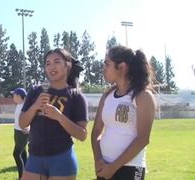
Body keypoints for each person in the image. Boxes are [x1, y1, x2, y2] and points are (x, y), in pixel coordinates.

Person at [20, 48, 88, 180]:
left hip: (62, 158)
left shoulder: (76, 96)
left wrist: (58, 116)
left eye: (57, 61)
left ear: (67, 65)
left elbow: (82, 134)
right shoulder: (35, 91)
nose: (52, 66)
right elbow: (22, 123)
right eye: (48, 63)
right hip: (35, 157)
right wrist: (35, 106)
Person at [91, 46, 156, 180]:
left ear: (122, 67)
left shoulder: (143, 96)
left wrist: (113, 167)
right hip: (104, 166)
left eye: (107, 64)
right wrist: (98, 161)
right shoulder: (107, 96)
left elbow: (143, 139)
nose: (104, 68)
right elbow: (96, 131)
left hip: (132, 168)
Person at [12, 87, 29, 180]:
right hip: (17, 132)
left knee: (16, 154)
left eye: (14, 95)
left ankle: (21, 177)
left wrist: (29, 129)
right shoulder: (19, 105)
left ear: (18, 96)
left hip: (22, 133)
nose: (13, 97)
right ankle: (26, 176)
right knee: (22, 154)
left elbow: (32, 117)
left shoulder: (25, 106)